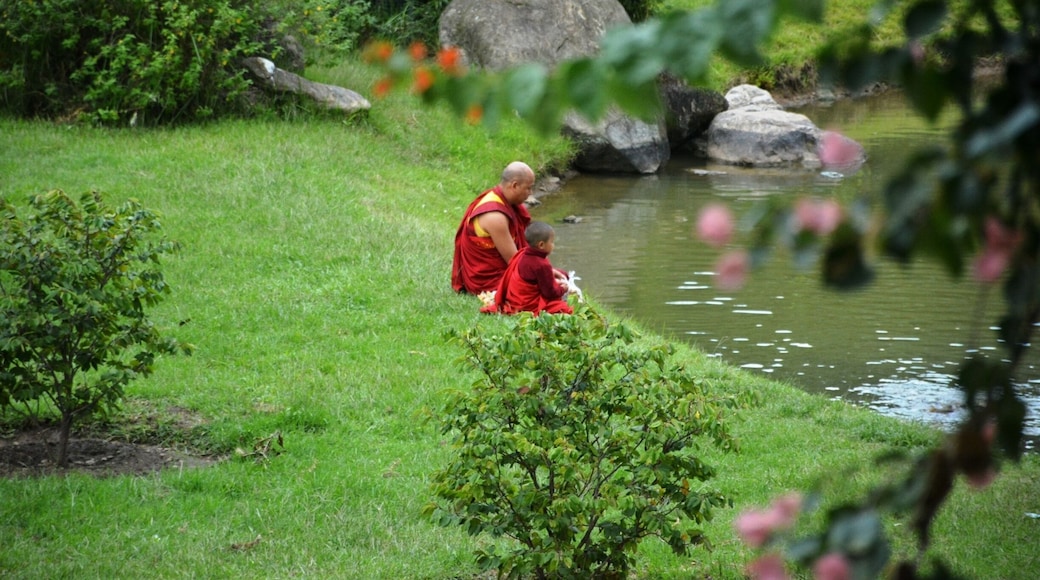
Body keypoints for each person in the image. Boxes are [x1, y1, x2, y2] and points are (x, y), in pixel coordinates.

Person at [452, 161, 535, 294]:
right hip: (487, 281)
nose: (530, 193)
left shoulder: (500, 199)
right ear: (514, 185)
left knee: (556, 276)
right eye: (528, 188)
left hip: (503, 269)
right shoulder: (495, 215)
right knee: (546, 287)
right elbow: (515, 263)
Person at [483, 221, 574, 315]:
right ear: (541, 245)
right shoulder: (542, 264)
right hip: (527, 304)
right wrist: (562, 289)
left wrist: (551, 273)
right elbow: (549, 293)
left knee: (562, 273)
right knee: (563, 308)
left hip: (515, 298)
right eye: (552, 242)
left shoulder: (522, 253)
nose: (553, 245)